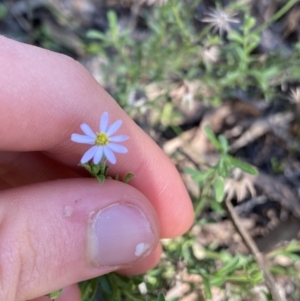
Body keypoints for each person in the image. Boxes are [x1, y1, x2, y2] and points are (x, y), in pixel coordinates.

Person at [0, 35, 194, 301]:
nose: (102, 138)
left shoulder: (101, 144)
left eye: (103, 137)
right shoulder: (97, 145)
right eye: (101, 137)